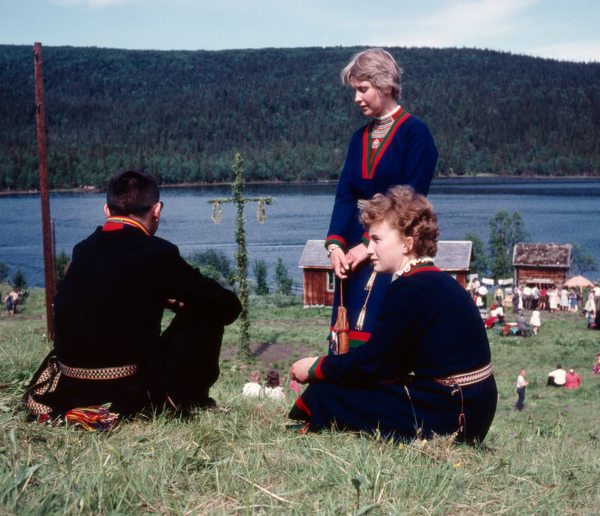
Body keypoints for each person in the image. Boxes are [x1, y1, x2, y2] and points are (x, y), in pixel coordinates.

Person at [22, 170, 242, 422]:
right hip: (126, 390)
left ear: (107, 211)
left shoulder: (82, 250)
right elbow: (228, 306)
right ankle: (187, 398)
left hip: (71, 386)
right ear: (156, 210)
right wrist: (179, 303)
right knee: (207, 310)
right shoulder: (159, 253)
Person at [289, 186, 497, 443]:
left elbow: (370, 364)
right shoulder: (433, 280)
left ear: (407, 244)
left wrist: (315, 366)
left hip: (454, 413)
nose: (370, 248)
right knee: (350, 387)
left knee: (328, 391)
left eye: (376, 239)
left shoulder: (411, 287)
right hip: (471, 406)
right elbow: (389, 361)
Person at [325, 48, 438, 356]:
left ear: (386, 86)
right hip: (352, 241)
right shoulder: (358, 138)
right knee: (346, 321)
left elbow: (410, 200)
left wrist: (369, 245)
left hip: (393, 243)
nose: (357, 98)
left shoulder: (416, 133)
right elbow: (345, 195)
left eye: (363, 89)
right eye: (355, 90)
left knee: (376, 323)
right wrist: (335, 247)